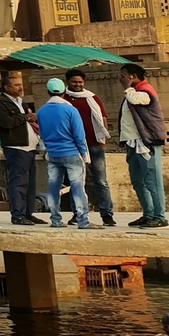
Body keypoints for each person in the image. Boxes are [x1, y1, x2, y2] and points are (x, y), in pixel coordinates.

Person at [63, 69, 117, 226]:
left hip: (95, 144)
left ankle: (107, 214)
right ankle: (78, 214)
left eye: (80, 82)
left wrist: (103, 140)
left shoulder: (92, 98)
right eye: (74, 82)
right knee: (77, 181)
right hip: (74, 147)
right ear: (67, 82)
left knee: (101, 181)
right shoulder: (63, 99)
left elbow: (103, 118)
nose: (78, 85)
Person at [37, 76, 92, 228]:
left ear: (48, 91)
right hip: (72, 153)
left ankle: (55, 219)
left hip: (53, 155)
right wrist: (84, 155)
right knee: (78, 188)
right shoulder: (70, 110)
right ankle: (83, 221)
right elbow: (79, 136)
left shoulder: (41, 111)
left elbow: (41, 134)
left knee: (53, 187)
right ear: (63, 92)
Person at [119, 63, 168, 228]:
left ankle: (160, 216)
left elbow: (135, 99)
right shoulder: (133, 92)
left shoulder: (145, 91)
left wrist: (127, 88)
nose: (121, 78)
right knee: (138, 180)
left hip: (146, 143)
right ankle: (148, 214)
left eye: (123, 75)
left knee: (152, 181)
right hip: (133, 143)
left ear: (132, 76)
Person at [0, 73, 43, 225]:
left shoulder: (21, 102)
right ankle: (18, 215)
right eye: (16, 85)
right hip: (16, 147)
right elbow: (6, 122)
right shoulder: (2, 104)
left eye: (20, 84)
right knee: (18, 183)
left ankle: (28, 213)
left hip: (30, 147)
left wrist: (31, 117)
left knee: (31, 184)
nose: (20, 87)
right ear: (7, 88)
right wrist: (25, 117)